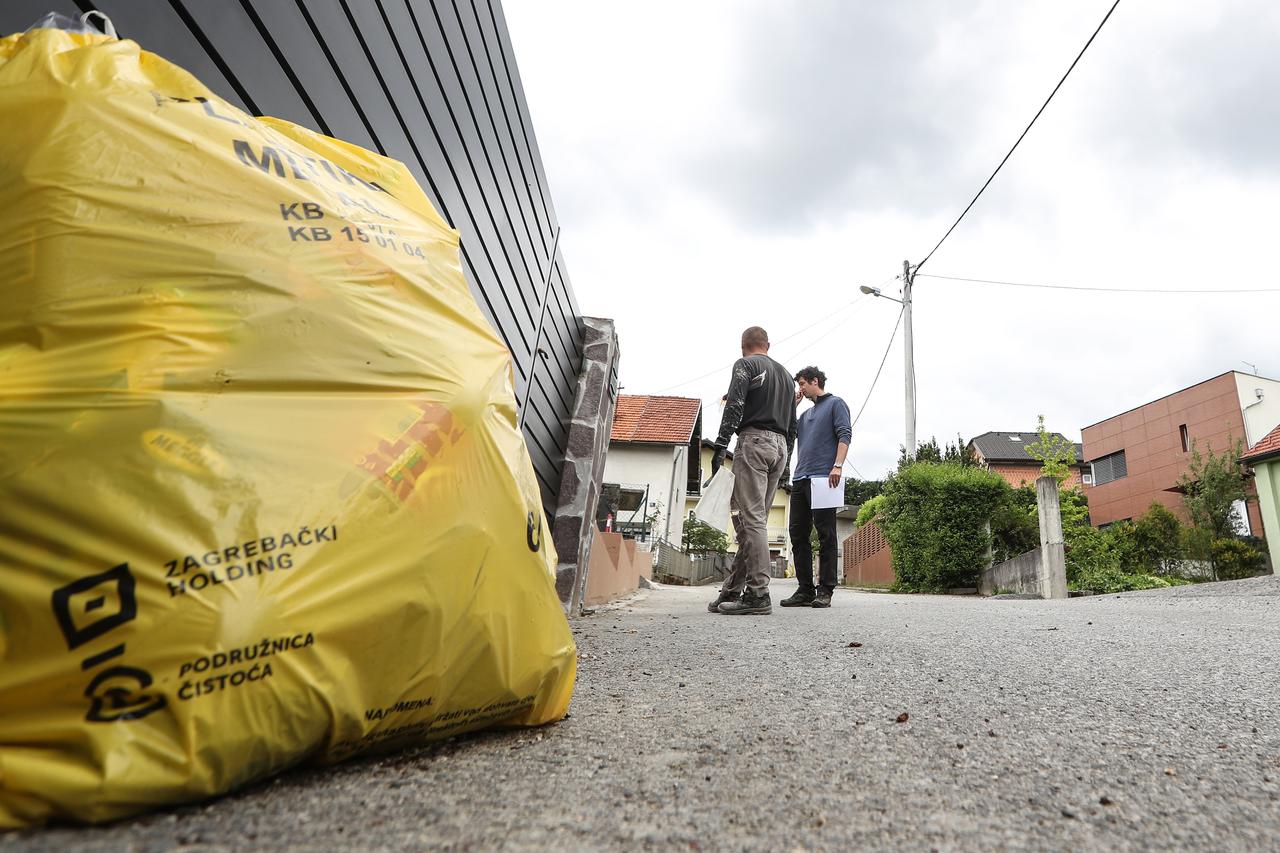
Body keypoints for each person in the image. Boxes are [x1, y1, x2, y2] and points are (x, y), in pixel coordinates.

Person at [706, 326, 796, 616]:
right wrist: (787, 465)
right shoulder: (786, 376)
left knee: (750, 519)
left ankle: (758, 594)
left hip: (754, 442)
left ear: (743, 345)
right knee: (753, 521)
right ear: (767, 344)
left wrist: (721, 445)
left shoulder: (745, 365)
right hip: (780, 447)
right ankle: (732, 590)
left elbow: (734, 405)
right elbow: (792, 425)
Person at [780, 366, 851, 608]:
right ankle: (805, 589)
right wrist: (793, 406)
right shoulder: (803, 415)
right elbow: (788, 433)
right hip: (800, 479)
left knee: (826, 534)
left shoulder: (836, 404)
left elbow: (844, 434)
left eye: (802, 384)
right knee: (798, 534)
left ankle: (826, 590)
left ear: (814, 381)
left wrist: (837, 466)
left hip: (825, 478)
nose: (800, 388)